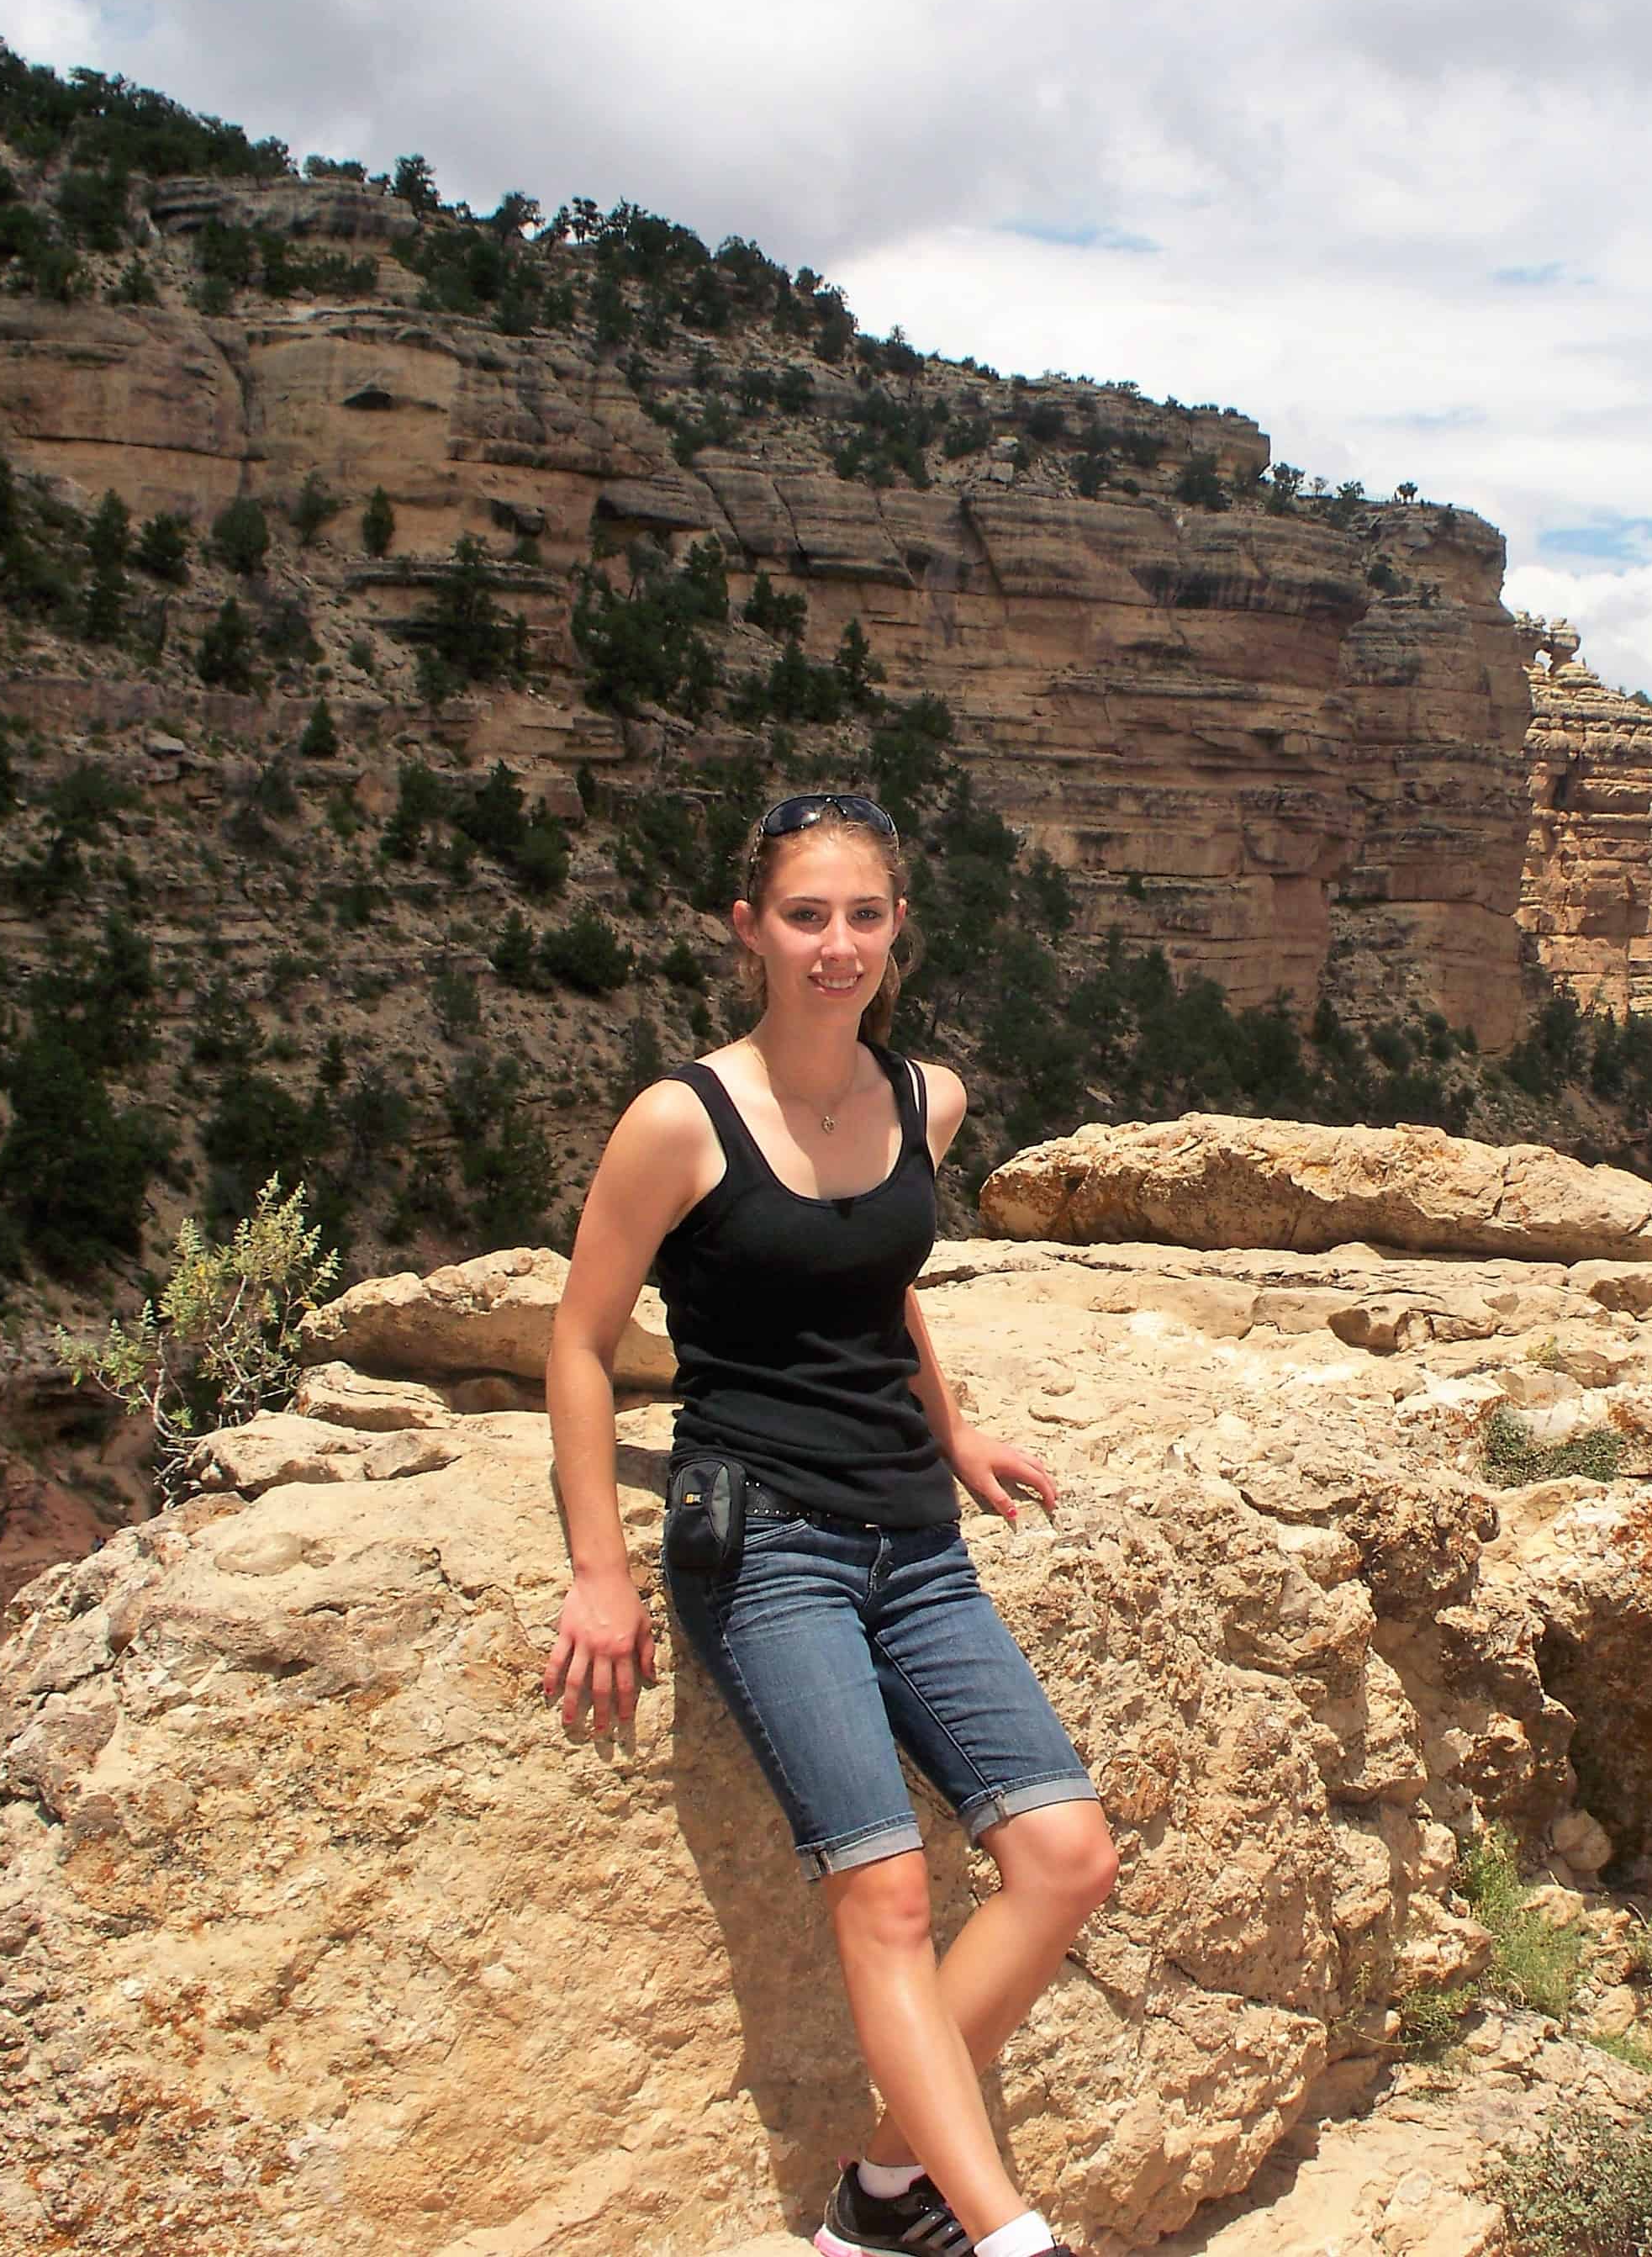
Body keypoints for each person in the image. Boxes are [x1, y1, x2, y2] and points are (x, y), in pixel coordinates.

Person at [542, 788, 1115, 2257]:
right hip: (766, 1543)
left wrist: (954, 1422)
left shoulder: (924, 1098)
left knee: (1065, 1857)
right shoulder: (684, 1117)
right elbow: (580, 1342)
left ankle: (874, 2197)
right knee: (887, 1886)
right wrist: (598, 1573)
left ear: (898, 928)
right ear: (750, 930)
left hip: (912, 1536)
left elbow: (878, 1278)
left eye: (864, 915)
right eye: (806, 916)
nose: (837, 945)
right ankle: (1004, 2235)